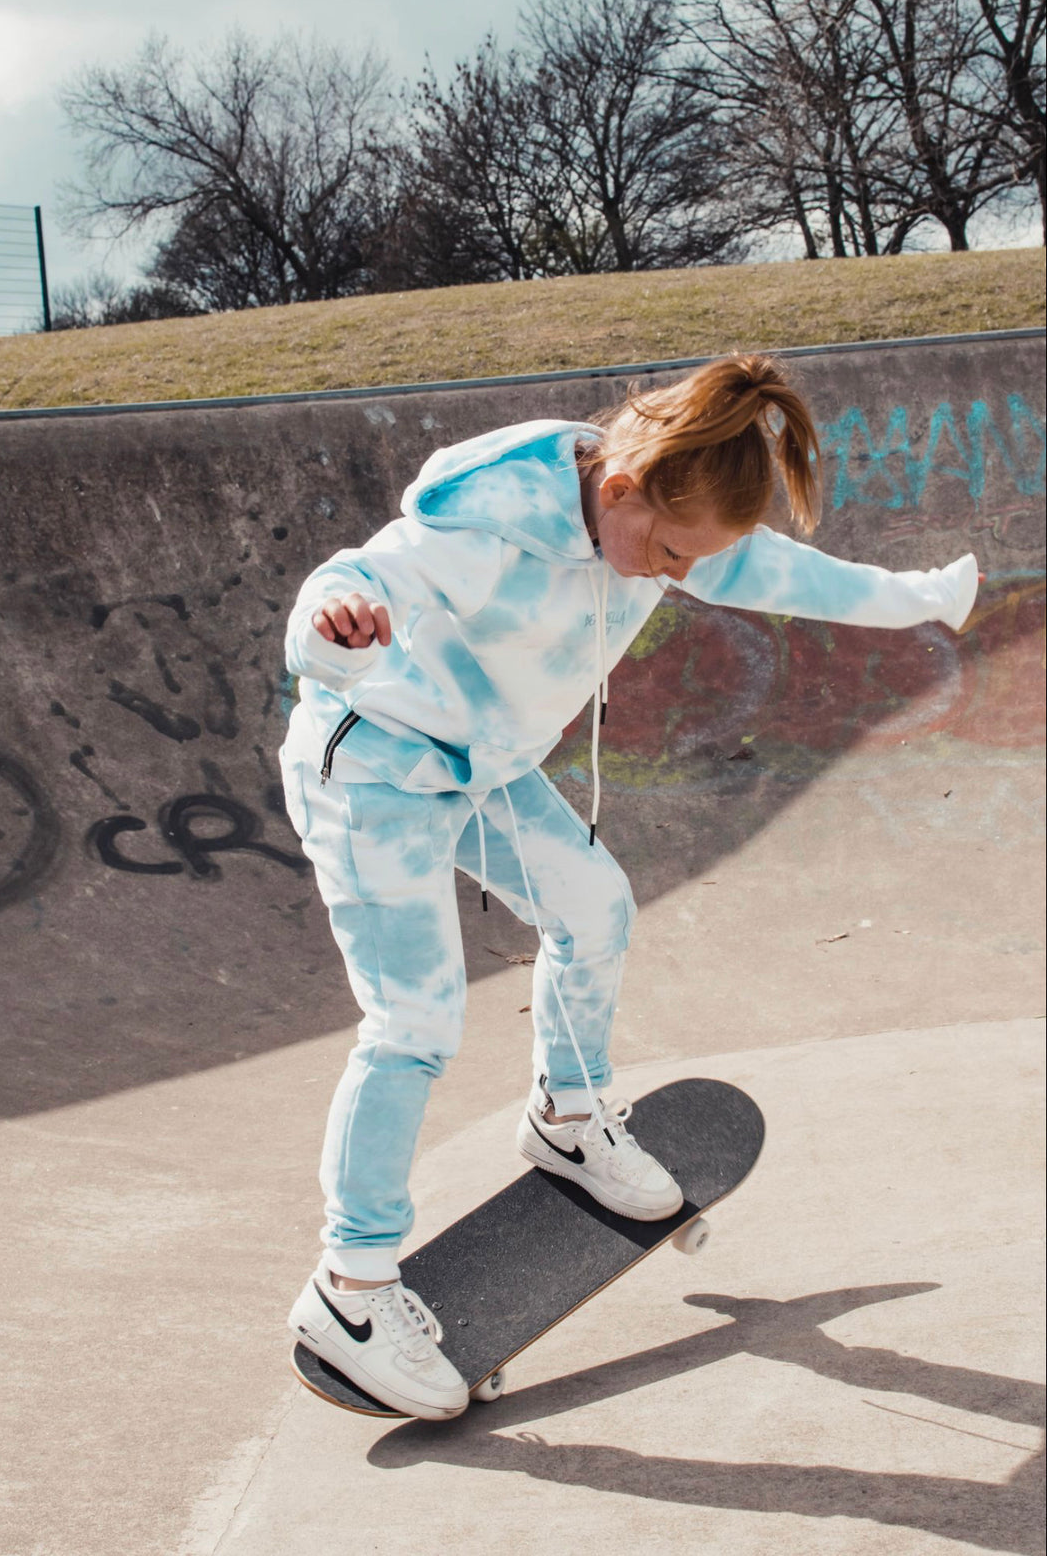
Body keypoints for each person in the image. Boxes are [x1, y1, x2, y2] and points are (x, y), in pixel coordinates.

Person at [278, 353, 979, 1420]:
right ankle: (353, 1286)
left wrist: (924, 598)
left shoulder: (666, 526)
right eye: (668, 553)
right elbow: (365, 576)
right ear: (618, 490)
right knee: (413, 1022)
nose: (677, 576)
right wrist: (335, 622)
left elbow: (797, 578)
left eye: (692, 562)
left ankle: (568, 1113)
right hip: (371, 769)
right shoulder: (488, 522)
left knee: (594, 907)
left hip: (483, 771)